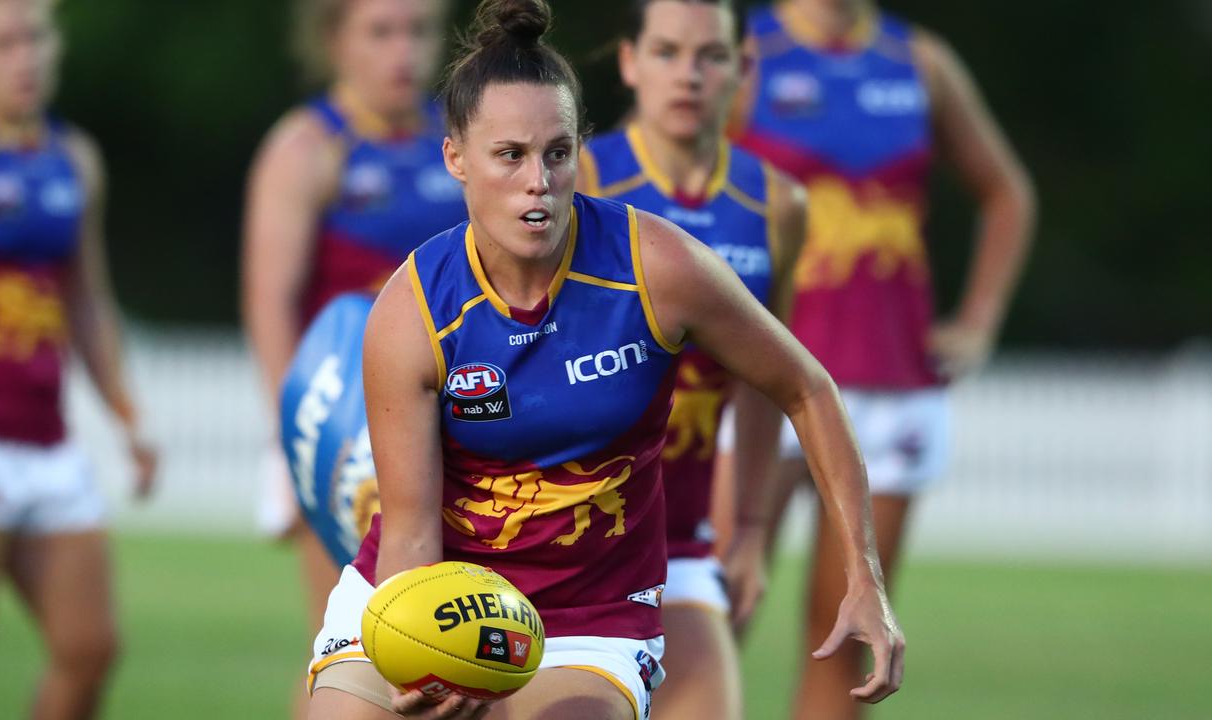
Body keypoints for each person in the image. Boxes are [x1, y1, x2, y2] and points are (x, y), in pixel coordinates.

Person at [306, 1, 904, 719]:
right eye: (510, 156)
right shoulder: (412, 311)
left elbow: (806, 387)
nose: (539, 181)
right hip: (430, 590)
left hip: (587, 616)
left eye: (557, 153)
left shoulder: (659, 268)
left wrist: (862, 575)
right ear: (456, 158)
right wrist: (436, 657)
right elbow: (409, 531)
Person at [726, 1, 1036, 718]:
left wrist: (980, 320)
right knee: (715, 618)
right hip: (766, 383)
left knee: (845, 637)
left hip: (892, 385)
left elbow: (1007, 191)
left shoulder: (919, 61)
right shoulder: (741, 57)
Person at [578, 1, 805, 717]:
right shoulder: (578, 180)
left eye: (711, 56)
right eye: (667, 52)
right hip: (568, 534)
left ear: (744, 68)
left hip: (681, 542)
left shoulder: (777, 203)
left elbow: (772, 382)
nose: (689, 75)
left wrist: (750, 532)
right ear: (628, 61)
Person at [0, 0, 157, 717]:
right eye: (4, 43)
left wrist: (127, 414)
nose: (24, 58)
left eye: (34, 39)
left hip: (46, 445)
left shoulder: (73, 158)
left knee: (89, 648)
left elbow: (87, 302)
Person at [242, 0, 467, 661]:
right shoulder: (308, 147)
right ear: (335, 39)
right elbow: (269, 302)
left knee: (454, 644)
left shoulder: (456, 140)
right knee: (354, 642)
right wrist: (294, 436)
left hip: (455, 421)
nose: (404, 51)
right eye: (381, 32)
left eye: (419, 31)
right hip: (348, 425)